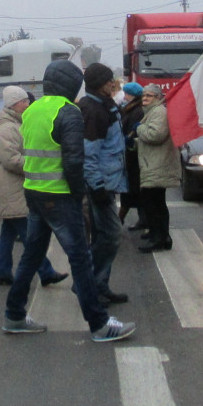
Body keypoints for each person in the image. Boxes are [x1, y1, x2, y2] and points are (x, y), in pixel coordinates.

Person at [3, 59, 135, 343]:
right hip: (60, 196)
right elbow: (74, 160)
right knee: (81, 259)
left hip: (34, 192)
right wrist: (78, 193)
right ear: (71, 84)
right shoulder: (69, 112)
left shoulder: (31, 109)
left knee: (32, 255)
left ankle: (14, 315)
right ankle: (99, 324)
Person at [0, 86, 68, 287]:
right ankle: (46, 272)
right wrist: (36, 163)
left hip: (11, 189)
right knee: (30, 236)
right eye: (24, 101)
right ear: (14, 104)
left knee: (9, 231)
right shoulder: (7, 128)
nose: (28, 104)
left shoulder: (14, 124)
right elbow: (11, 160)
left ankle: (3, 272)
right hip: (11, 190)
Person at [77, 62, 129, 306]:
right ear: (100, 84)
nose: (113, 84)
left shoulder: (104, 105)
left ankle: (99, 285)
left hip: (108, 181)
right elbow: (89, 154)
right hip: (100, 185)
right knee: (111, 235)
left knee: (101, 237)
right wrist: (96, 186)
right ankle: (87, 285)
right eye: (109, 80)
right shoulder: (92, 110)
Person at [135, 83, 181, 252]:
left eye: (149, 96)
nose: (145, 98)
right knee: (157, 202)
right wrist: (135, 142)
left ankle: (158, 238)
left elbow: (156, 135)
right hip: (155, 162)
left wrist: (139, 129)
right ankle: (161, 235)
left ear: (157, 98)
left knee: (152, 203)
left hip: (157, 165)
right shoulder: (153, 112)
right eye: (143, 96)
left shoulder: (159, 112)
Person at [119, 83, 146, 230]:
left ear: (133, 95)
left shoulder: (137, 111)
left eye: (127, 94)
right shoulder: (130, 109)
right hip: (129, 154)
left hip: (133, 155)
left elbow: (133, 132)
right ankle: (143, 218)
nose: (124, 97)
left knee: (133, 189)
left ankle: (120, 219)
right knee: (134, 190)